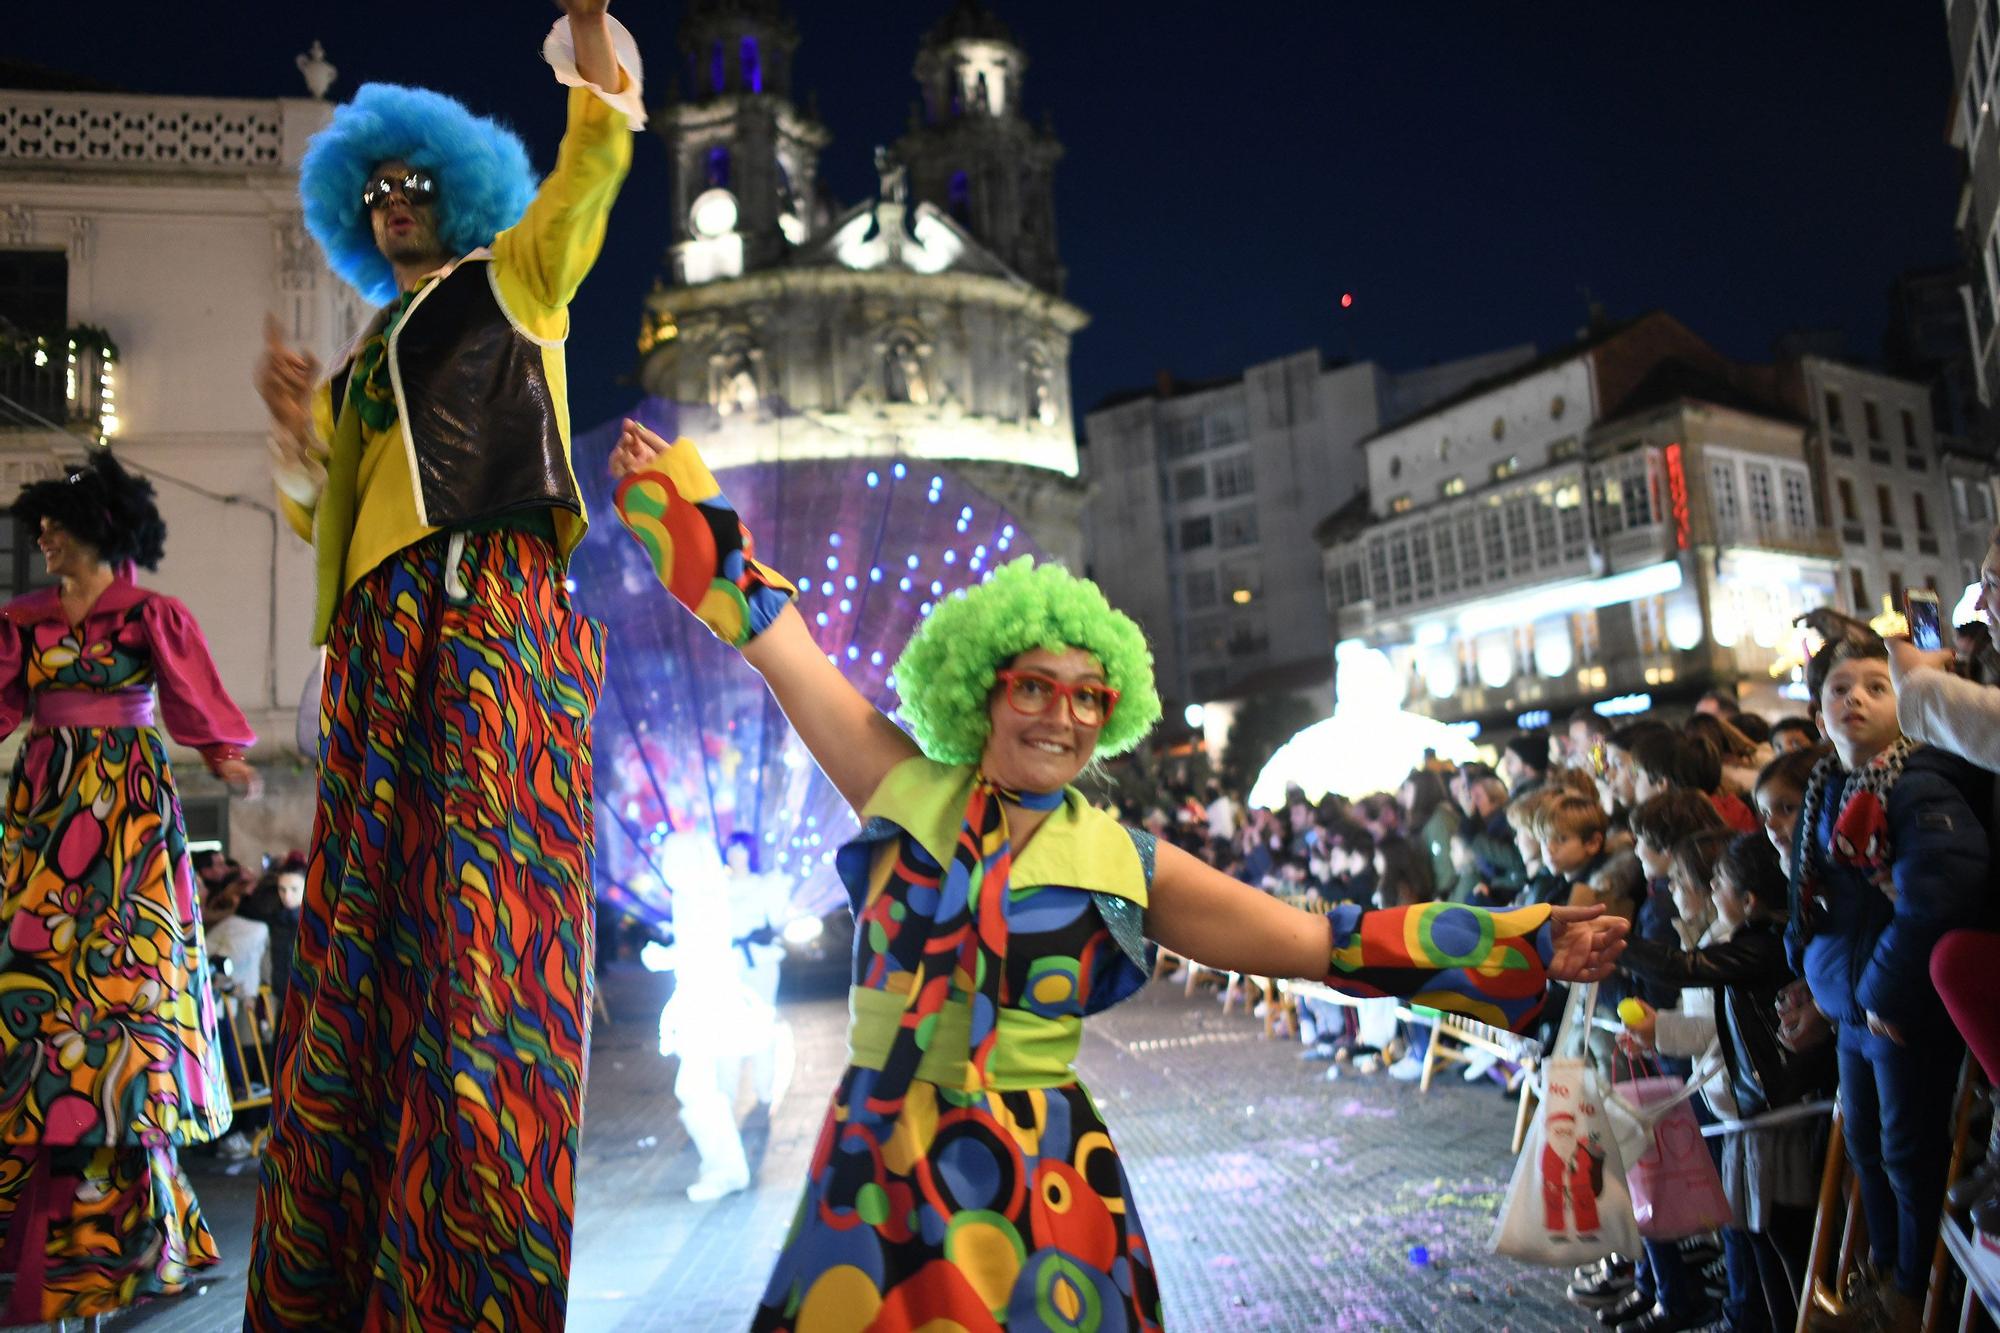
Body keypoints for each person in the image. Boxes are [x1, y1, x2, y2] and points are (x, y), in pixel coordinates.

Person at [607, 421, 1629, 1330]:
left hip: (1040, 1175)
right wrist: (675, 501)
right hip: (881, 1157)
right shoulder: (896, 783)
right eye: (1034, 687)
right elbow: (773, 639)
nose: (1060, 715)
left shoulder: (1122, 861)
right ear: (983, 690)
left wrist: (1524, 942)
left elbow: (1314, 941)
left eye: (1088, 698)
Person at [245, 4, 643, 1326]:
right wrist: (298, 428)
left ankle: (475, 1256)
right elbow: (329, 519)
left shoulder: (512, 280)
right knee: (370, 953)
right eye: (379, 191)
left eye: (417, 183)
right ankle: (361, 1255)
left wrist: (590, 53)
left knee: (480, 951)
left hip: (485, 621)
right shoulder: (367, 361)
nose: (397, 203)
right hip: (383, 644)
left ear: (456, 194)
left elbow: (590, 173)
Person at [0, 452, 259, 1323]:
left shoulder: (151, 615)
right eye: (39, 524)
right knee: (36, 996)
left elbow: (194, 703)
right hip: (45, 816)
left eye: (55, 524)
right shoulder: (23, 622)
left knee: (130, 1002)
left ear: (101, 532)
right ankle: (47, 1235)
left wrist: (225, 752)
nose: (41, 537)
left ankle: (133, 1227)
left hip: (128, 822)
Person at [1786, 630, 1990, 1327]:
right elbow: (1817, 900)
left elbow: (1943, 890)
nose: (1856, 701)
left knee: (1910, 1153)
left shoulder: (1920, 778)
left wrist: (1878, 992)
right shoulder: (1827, 783)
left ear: (1907, 702)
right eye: (1840, 689)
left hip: (1900, 1009)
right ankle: (1882, 1282)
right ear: (1819, 711)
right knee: (1869, 1150)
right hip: (1852, 1009)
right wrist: (1808, 974)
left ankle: (1911, 1291)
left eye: (1878, 686)